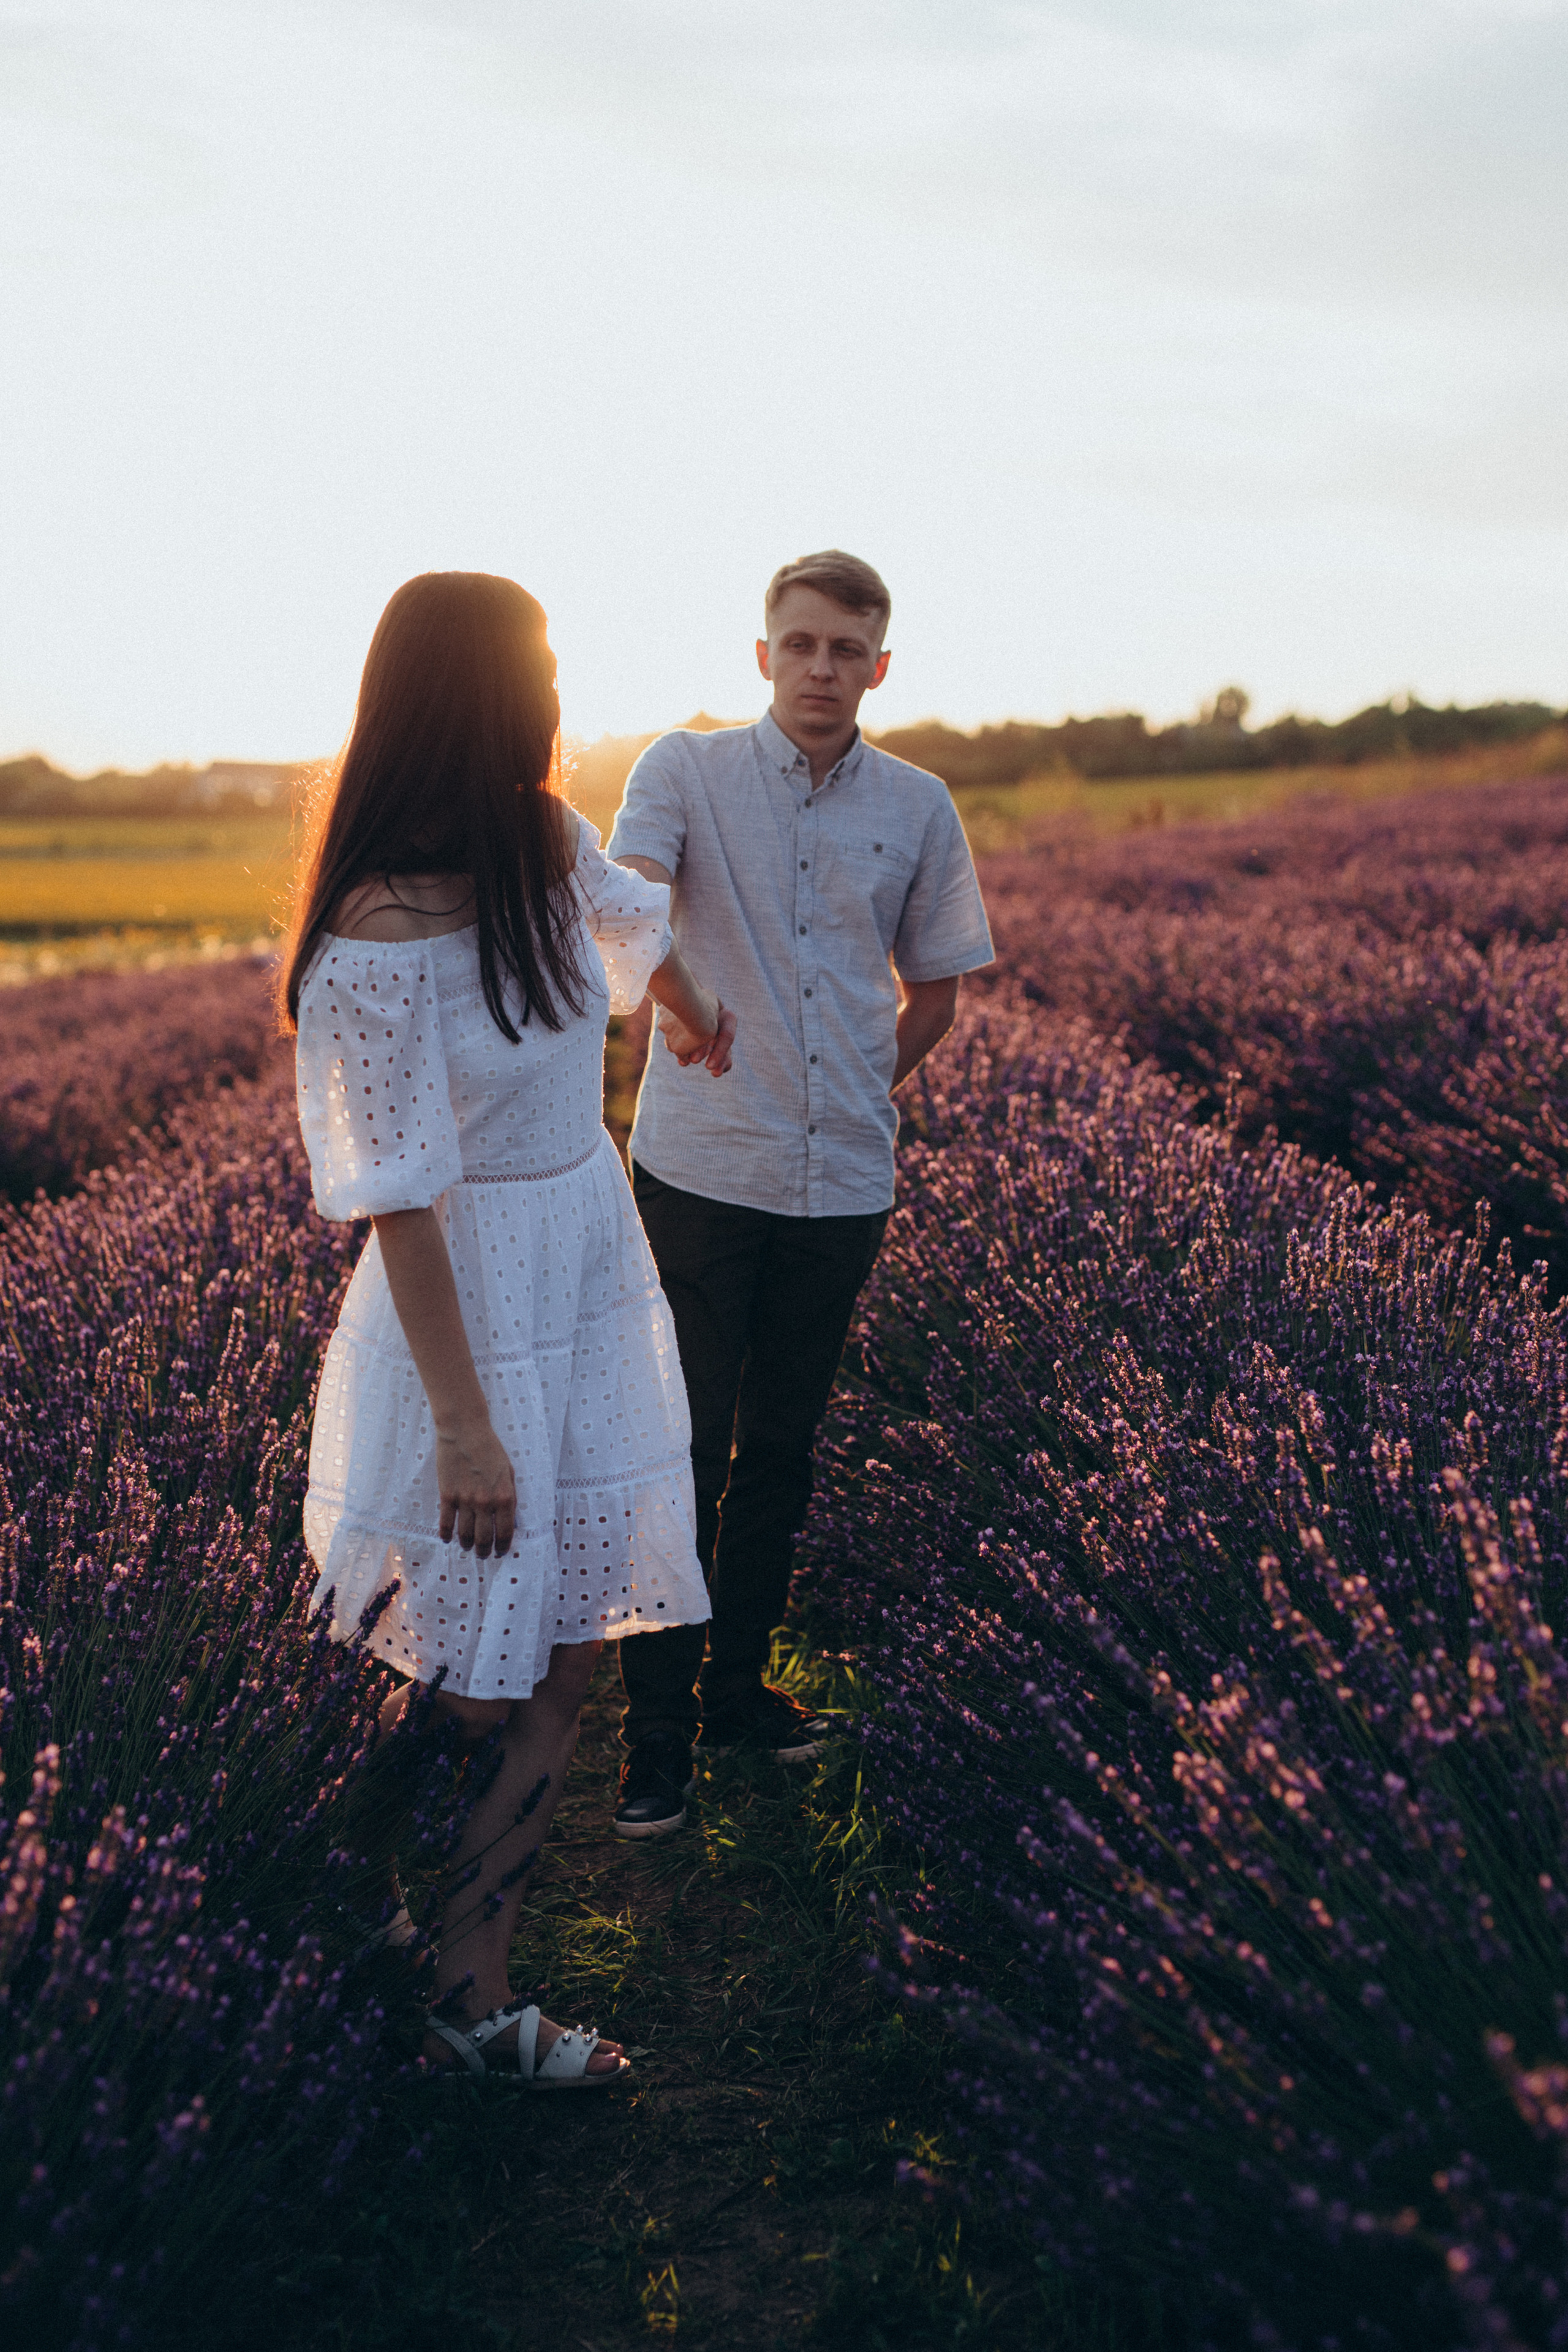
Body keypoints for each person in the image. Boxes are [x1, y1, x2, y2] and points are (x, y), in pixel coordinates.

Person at [282, 571, 736, 2082]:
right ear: (475, 696)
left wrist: (680, 1003)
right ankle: (325, 1892)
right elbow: (396, 1200)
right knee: (468, 1681)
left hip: (582, 1274)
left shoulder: (538, 843)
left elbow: (624, 920)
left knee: (558, 1668)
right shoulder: (373, 935)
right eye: (536, 672)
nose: (556, 696)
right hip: (460, 1320)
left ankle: (469, 2001)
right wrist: (468, 1422)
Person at [605, 549, 993, 1837]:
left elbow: (934, 987)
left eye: (846, 651)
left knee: (777, 1450)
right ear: (761, 654)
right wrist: (690, 1008)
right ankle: (651, 1738)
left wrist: (853, 1085)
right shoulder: (684, 770)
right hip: (705, 1170)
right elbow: (626, 915)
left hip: (840, 1185)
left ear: (879, 667)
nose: (821, 668)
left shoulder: (919, 804)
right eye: (800, 645)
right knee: (676, 1444)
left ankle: (734, 1694)